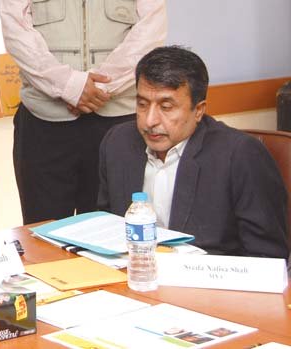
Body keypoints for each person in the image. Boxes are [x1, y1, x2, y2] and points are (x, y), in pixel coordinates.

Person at [98, 46, 289, 258]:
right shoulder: (118, 143)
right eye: (142, 104)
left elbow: (268, 257)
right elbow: (105, 230)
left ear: (198, 110)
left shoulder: (240, 156)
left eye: (166, 107)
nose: (149, 121)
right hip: (133, 278)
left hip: (211, 284)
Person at [0, 0, 166, 224]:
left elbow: (150, 30)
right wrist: (69, 85)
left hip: (118, 122)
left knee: (113, 230)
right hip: (44, 122)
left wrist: (97, 88)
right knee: (45, 234)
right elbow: (15, 29)